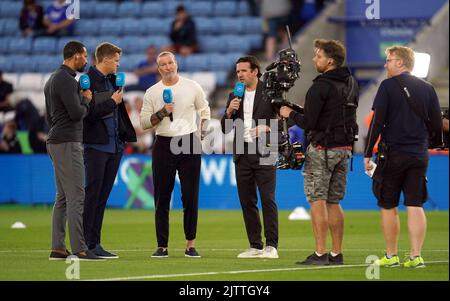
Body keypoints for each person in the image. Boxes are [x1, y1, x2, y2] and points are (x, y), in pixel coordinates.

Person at [280, 39, 358, 265]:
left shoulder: (320, 85)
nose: (314, 59)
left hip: (322, 149)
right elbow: (333, 114)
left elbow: (310, 122)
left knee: (317, 200)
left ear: (330, 61)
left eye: (318, 56)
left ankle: (320, 253)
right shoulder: (351, 82)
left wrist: (288, 113)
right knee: (334, 202)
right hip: (344, 149)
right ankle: (336, 253)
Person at [364, 46, 443, 268]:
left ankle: (391, 256)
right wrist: (428, 142)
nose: (385, 64)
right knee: (415, 204)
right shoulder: (428, 88)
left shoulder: (387, 86)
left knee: (388, 205)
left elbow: (377, 122)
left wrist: (368, 152)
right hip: (419, 154)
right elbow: (436, 125)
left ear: (400, 62)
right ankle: (416, 256)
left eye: (389, 60)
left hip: (393, 154)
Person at [140, 51, 210, 258]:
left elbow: (204, 110)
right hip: (163, 143)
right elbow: (144, 123)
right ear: (159, 68)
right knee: (162, 198)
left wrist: (202, 130)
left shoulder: (192, 86)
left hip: (188, 142)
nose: (168, 67)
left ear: (176, 64)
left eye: (171, 62)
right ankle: (162, 246)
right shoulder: (152, 92)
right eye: (163, 64)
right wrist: (162, 111)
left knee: (190, 196)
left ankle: (190, 244)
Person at [44, 41, 102, 260]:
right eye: (84, 56)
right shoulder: (66, 80)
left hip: (57, 140)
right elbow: (77, 114)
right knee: (77, 194)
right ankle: (80, 248)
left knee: (63, 197)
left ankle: (58, 247)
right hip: (68, 142)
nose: (86, 61)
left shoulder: (52, 79)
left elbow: (50, 116)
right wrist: (86, 100)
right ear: (75, 56)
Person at [220, 56, 280, 259]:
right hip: (242, 154)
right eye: (238, 72)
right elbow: (225, 129)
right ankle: (255, 245)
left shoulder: (271, 93)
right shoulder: (233, 96)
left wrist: (269, 127)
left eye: (244, 71)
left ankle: (272, 246)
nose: (240, 75)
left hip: (265, 151)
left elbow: (285, 123)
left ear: (255, 71)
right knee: (247, 201)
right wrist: (228, 112)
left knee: (267, 199)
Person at [82, 42, 136, 259]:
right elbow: (87, 113)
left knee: (102, 197)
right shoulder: (87, 81)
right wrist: (112, 102)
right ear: (104, 59)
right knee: (92, 195)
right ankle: (85, 244)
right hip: (96, 146)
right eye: (115, 60)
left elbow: (117, 112)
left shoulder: (113, 80)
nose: (117, 64)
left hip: (114, 146)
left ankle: (96, 243)